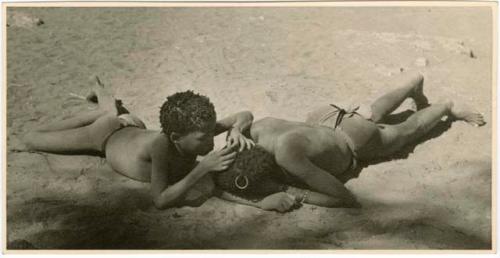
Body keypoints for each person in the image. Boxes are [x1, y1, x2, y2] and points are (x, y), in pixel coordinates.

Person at [216, 73, 486, 212]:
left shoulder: (288, 157)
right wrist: (237, 128)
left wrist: (288, 189)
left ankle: (447, 107)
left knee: (405, 133)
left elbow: (343, 198)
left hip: (353, 140)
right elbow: (243, 116)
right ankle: (412, 83)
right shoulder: (255, 132)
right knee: (372, 113)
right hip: (325, 116)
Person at [22, 79, 255, 209]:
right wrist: (202, 168)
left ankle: (108, 104)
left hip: (134, 126)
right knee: (31, 140)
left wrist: (235, 129)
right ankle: (105, 109)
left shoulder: (196, 132)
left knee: (119, 116)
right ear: (175, 137)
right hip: (105, 134)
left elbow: (244, 114)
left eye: (210, 133)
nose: (211, 140)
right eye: (204, 138)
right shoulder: (161, 147)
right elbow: (160, 199)